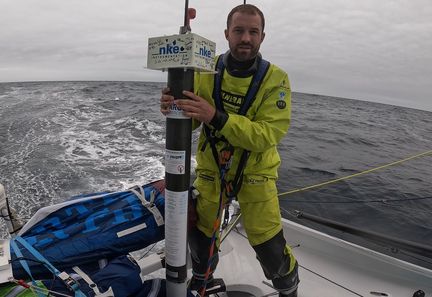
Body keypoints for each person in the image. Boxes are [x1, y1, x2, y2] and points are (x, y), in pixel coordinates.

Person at [160, 4, 299, 297]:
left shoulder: (277, 79)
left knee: (270, 248)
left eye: (253, 31)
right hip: (213, 172)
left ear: (263, 36)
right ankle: (201, 278)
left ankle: (288, 290)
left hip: (256, 175)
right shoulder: (206, 71)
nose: (245, 38)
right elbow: (194, 121)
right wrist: (174, 108)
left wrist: (217, 117)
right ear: (226, 34)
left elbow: (268, 134)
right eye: (239, 31)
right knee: (200, 239)